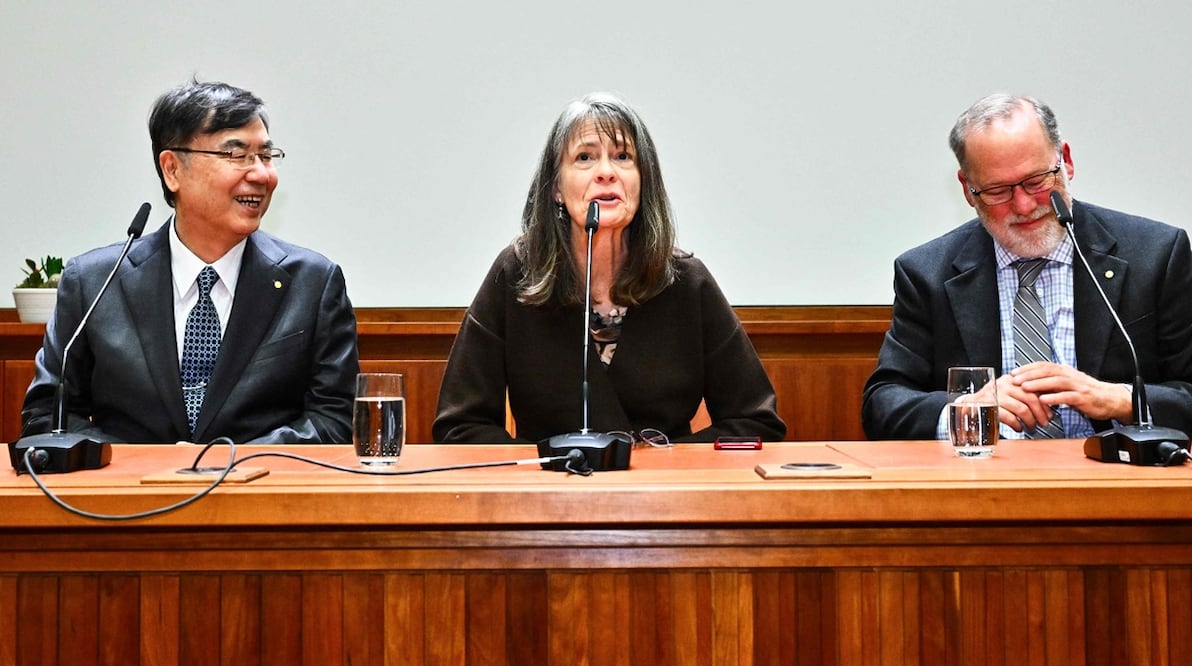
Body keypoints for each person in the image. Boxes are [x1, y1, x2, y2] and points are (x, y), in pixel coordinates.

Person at [433, 92, 785, 444]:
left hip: (664, 494)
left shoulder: (686, 281)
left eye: (622, 157)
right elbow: (461, 426)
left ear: (642, 181)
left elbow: (754, 421)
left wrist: (662, 465)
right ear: (556, 188)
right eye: (584, 157)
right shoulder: (517, 273)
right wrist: (542, 468)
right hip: (551, 492)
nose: (606, 172)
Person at [21, 79, 359, 444]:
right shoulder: (95, 281)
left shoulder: (312, 282)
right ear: (172, 170)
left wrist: (224, 464)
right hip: (130, 497)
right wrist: (150, 466)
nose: (261, 174)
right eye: (236, 155)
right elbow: (49, 418)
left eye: (265, 155)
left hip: (259, 493)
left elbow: (334, 420)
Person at [862, 93, 1192, 441]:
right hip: (983, 481)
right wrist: (967, 409)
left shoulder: (1154, 255)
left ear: (1065, 161)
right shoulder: (928, 273)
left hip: (1119, 480)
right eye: (998, 191)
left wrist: (1122, 399)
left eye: (1037, 181)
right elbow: (883, 405)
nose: (1023, 205)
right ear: (968, 189)